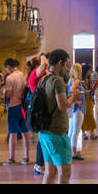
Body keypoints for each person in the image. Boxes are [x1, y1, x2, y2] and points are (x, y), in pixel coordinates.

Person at [36, 48, 77, 183]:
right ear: (60, 63)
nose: (68, 68)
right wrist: (74, 96)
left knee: (49, 172)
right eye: (67, 64)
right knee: (65, 173)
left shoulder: (44, 79)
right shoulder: (58, 81)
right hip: (57, 133)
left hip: (45, 132)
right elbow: (63, 105)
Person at [3, 58, 29, 164]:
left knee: (12, 133)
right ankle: (26, 157)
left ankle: (11, 157)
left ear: (8, 66)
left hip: (13, 106)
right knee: (25, 132)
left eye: (6, 68)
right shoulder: (23, 75)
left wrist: (3, 92)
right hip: (23, 107)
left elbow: (8, 94)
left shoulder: (10, 78)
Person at [29, 54, 50, 175]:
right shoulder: (34, 74)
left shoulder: (42, 74)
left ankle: (42, 163)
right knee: (42, 138)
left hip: (44, 108)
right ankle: (38, 164)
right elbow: (45, 64)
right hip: (39, 109)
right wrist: (42, 55)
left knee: (44, 137)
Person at [67, 63, 88, 159]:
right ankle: (74, 153)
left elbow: (70, 92)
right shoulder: (76, 81)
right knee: (76, 131)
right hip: (77, 108)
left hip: (71, 108)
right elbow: (71, 92)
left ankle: (70, 151)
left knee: (71, 131)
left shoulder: (70, 80)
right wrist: (76, 100)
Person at [81, 65, 98, 141]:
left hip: (89, 99)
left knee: (91, 115)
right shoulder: (81, 80)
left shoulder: (89, 79)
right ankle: (83, 133)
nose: (90, 72)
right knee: (83, 116)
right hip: (83, 100)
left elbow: (92, 89)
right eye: (89, 70)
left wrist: (94, 86)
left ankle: (92, 132)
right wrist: (85, 91)